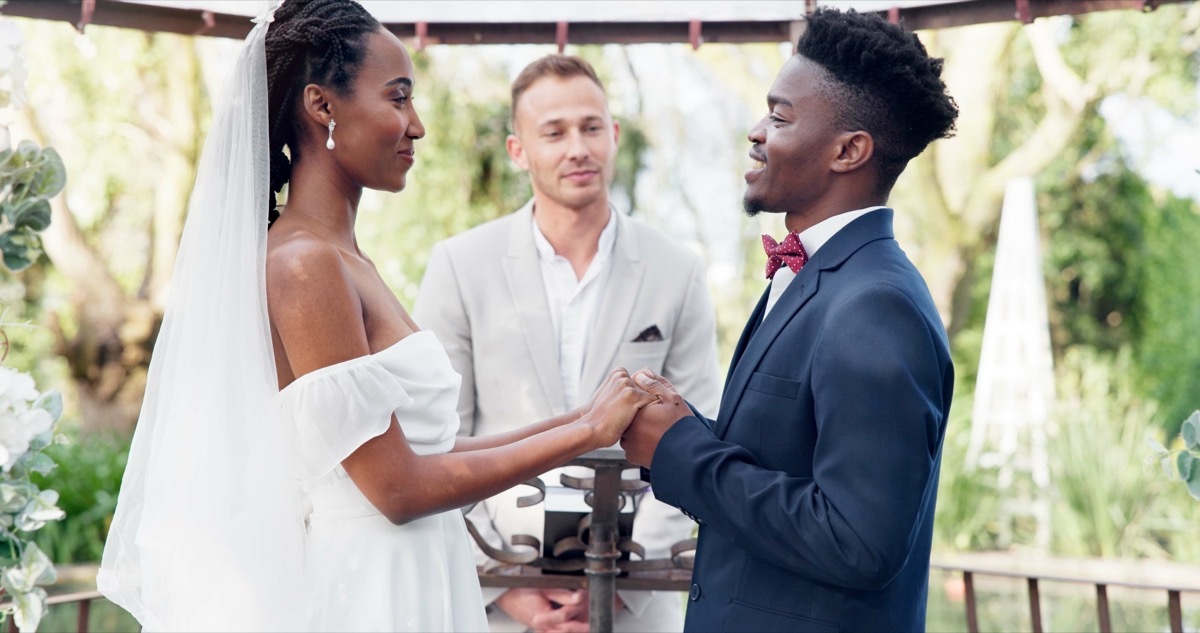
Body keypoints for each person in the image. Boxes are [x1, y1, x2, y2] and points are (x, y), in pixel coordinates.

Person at [98, 2, 656, 631]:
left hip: (417, 566)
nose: (416, 126)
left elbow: (430, 448)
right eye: (398, 98)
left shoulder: (346, 258)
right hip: (370, 589)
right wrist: (583, 437)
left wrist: (587, 417)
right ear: (322, 106)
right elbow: (397, 490)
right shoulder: (305, 265)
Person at [619, 8, 959, 632]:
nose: (755, 131)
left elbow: (857, 541)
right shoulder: (817, 276)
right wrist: (686, 422)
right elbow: (787, 461)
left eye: (779, 117)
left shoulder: (875, 306)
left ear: (849, 150)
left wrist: (682, 452)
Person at [413, 54, 721, 633]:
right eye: (553, 133)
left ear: (614, 135)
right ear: (518, 151)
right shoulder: (459, 266)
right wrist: (511, 588)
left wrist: (616, 587)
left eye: (591, 127)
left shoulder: (676, 269)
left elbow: (698, 435)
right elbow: (436, 442)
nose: (577, 147)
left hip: (639, 598)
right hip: (497, 599)